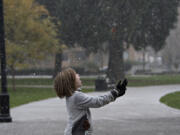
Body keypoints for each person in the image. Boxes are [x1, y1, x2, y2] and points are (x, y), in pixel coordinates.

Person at [54, 68, 128, 135]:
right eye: (75, 74)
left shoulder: (72, 96)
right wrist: (114, 93)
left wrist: (115, 94)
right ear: (70, 81)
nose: (78, 75)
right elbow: (97, 102)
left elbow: (97, 99)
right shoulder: (76, 97)